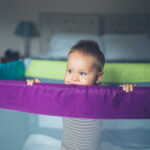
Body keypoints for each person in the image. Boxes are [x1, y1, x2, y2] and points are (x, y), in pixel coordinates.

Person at [27, 40, 135, 150]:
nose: (74, 78)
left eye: (82, 73)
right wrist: (37, 87)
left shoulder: (103, 93)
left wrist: (125, 90)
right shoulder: (64, 92)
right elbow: (46, 96)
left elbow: (119, 101)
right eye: (70, 71)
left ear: (98, 77)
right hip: (67, 148)